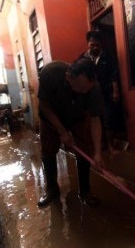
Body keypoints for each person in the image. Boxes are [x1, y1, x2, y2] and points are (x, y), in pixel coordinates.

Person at [37, 59, 103, 207]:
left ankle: (85, 192)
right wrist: (61, 130)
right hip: (51, 118)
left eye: (88, 89)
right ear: (69, 77)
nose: (86, 92)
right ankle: (52, 189)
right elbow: (44, 105)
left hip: (77, 117)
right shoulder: (50, 73)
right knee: (48, 151)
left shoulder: (93, 87)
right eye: (81, 89)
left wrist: (97, 153)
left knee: (85, 148)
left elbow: (95, 120)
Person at [77, 31, 122, 154]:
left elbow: (114, 75)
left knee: (108, 121)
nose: (95, 47)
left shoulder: (108, 57)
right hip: (90, 95)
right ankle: (99, 145)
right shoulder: (82, 59)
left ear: (101, 44)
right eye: (92, 45)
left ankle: (110, 146)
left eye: (97, 45)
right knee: (94, 120)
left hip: (106, 94)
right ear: (88, 44)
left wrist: (115, 92)